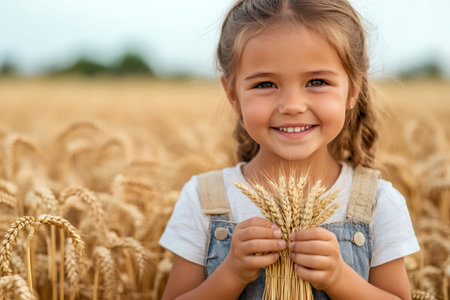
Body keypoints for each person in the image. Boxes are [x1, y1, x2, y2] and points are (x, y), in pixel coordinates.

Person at [159, 0, 419, 299]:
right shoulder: (204, 200)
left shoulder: (379, 203)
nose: (292, 106)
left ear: (354, 89)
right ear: (232, 93)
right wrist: (230, 274)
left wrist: (339, 279)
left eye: (317, 81)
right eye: (265, 84)